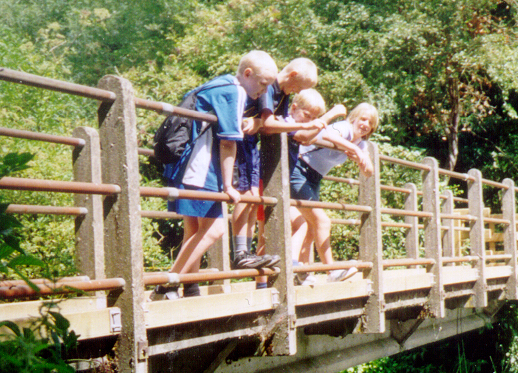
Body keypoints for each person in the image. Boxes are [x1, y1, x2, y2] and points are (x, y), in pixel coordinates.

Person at [155, 50, 277, 300]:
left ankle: (187, 287)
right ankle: (167, 284)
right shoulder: (234, 91)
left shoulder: (219, 83)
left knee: (195, 230)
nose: (264, 92)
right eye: (263, 84)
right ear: (247, 74)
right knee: (215, 229)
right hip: (199, 168)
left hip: (186, 165)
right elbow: (228, 143)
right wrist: (229, 186)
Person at [231, 57, 320, 271]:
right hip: (242, 140)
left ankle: (246, 252)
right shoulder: (270, 87)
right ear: (291, 76)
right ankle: (239, 252)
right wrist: (266, 123)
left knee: (253, 200)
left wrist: (265, 123)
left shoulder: (284, 94)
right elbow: (272, 124)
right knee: (246, 197)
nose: (296, 91)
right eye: (297, 86)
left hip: (252, 144)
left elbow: (279, 123)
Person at [289, 101, 378, 284]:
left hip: (314, 178)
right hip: (299, 170)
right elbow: (326, 133)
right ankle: (332, 271)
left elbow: (369, 172)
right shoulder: (344, 128)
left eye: (370, 123)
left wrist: (361, 161)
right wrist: (351, 148)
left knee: (311, 226)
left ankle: (302, 273)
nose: (365, 125)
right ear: (354, 118)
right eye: (363, 119)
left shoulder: (361, 143)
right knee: (322, 221)